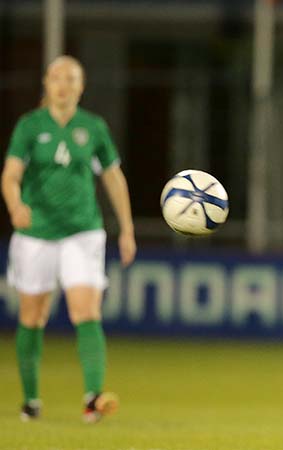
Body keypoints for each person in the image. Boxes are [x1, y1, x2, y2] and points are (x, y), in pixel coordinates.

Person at [2, 55, 136, 423]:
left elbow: (112, 177)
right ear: (46, 83)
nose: (63, 84)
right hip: (36, 234)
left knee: (86, 310)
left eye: (71, 78)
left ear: (82, 85)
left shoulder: (93, 128)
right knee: (32, 317)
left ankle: (93, 398)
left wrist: (126, 228)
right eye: (57, 77)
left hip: (83, 231)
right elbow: (11, 175)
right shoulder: (30, 126)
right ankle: (31, 400)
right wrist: (15, 205)